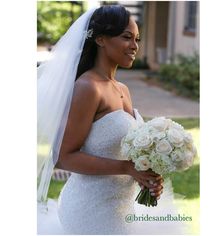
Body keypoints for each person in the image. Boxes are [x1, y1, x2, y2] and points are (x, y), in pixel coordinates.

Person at [37, 5, 189, 235]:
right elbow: (63, 157)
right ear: (100, 39)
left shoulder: (122, 89)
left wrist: (146, 175)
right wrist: (127, 168)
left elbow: (126, 150)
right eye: (126, 37)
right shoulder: (88, 88)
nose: (135, 46)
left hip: (122, 206)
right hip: (90, 210)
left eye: (137, 39)